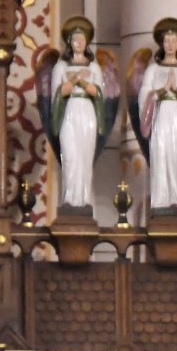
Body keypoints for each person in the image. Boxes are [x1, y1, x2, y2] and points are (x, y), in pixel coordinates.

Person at [35, 18, 120, 213]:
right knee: (70, 154)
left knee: (85, 154)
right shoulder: (60, 67)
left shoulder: (94, 67)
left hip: (87, 113)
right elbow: (60, 92)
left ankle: (83, 199)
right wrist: (75, 79)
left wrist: (80, 82)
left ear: (87, 42)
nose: (78, 43)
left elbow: (97, 93)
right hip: (69, 112)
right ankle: (69, 198)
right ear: (69, 42)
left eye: (82, 40)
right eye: (75, 40)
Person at [127, 19, 177, 215]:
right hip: (160, 115)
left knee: (175, 154)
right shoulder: (153, 70)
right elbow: (144, 95)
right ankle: (161, 198)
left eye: (173, 41)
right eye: (166, 41)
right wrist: (162, 91)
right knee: (160, 153)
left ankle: (176, 199)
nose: (170, 45)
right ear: (162, 44)